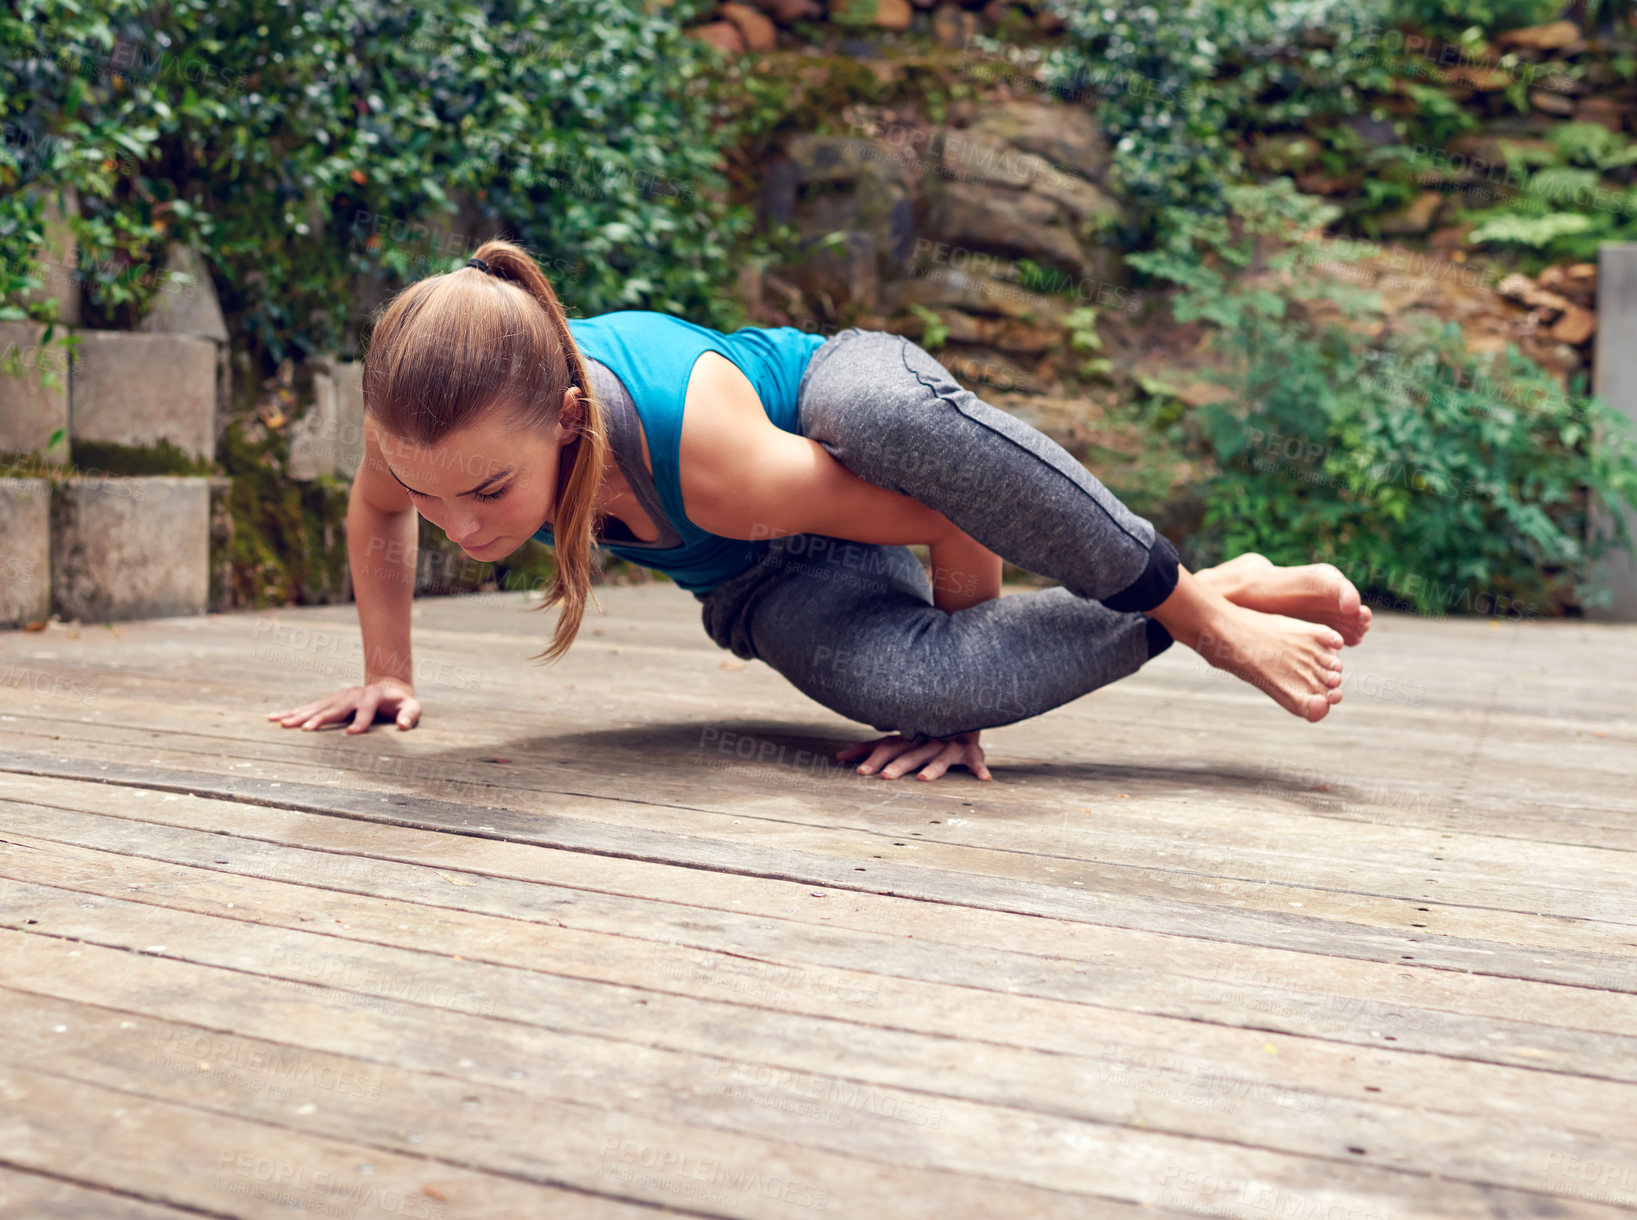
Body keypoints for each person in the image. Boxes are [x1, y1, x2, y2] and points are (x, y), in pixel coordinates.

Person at [268, 239, 1371, 782]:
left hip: (830, 411)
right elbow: (378, 518)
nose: (459, 527)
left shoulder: (722, 465)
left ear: (565, 418)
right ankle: (1224, 585)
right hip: (767, 579)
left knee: (900, 423)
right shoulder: (424, 427)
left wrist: (964, 702)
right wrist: (389, 670)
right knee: (892, 688)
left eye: (488, 492)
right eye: (433, 492)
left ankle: (1199, 609)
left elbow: (946, 515)